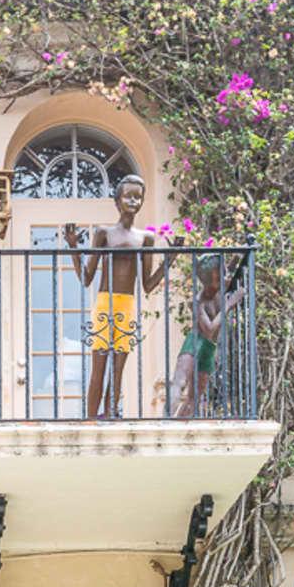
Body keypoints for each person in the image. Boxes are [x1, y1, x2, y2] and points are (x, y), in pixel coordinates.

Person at [64, 174, 167, 419]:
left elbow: (148, 284)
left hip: (127, 303)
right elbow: (87, 277)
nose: (133, 201)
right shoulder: (104, 233)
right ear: (118, 200)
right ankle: (91, 418)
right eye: (128, 196)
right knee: (99, 363)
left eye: (138, 197)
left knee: (119, 367)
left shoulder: (146, 238)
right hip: (105, 301)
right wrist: (73, 248)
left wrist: (170, 260)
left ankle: (111, 414)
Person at [170, 254, 243, 417]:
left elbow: (229, 271)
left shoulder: (220, 287)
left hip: (210, 347)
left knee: (194, 397)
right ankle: (166, 419)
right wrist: (229, 305)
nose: (220, 283)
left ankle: (179, 425)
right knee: (180, 382)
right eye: (216, 280)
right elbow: (209, 329)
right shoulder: (198, 302)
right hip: (196, 341)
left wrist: (237, 258)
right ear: (206, 281)